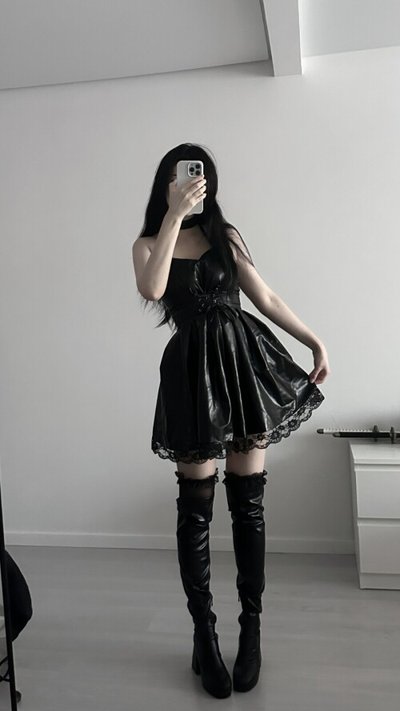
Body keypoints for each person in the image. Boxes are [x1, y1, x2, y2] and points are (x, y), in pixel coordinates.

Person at [132, 143, 330, 698]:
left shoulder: (225, 235)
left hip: (242, 367)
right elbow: (152, 288)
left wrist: (314, 340)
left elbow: (263, 295)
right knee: (195, 509)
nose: (194, 186)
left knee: (248, 503)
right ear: (168, 183)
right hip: (190, 376)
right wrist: (174, 216)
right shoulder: (148, 243)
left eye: (200, 179)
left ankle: (251, 630)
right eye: (183, 179)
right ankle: (205, 634)